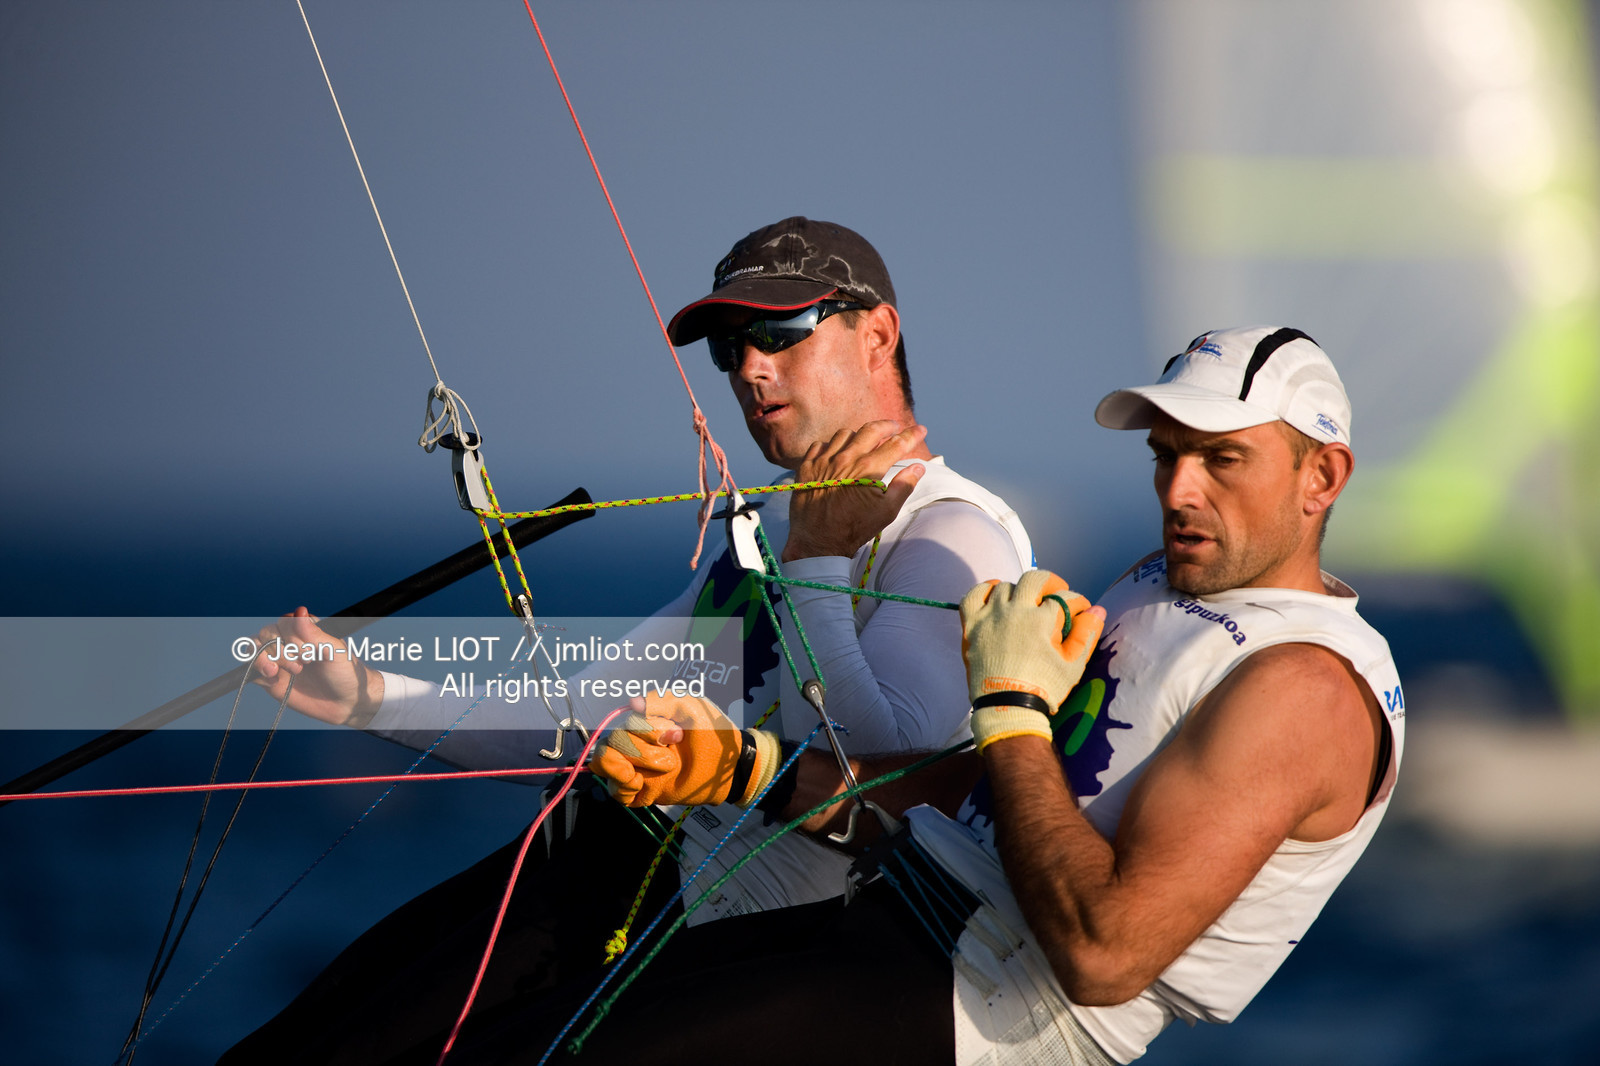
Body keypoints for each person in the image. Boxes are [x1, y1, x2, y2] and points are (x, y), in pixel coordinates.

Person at [221, 218, 1035, 1063]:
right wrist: (369, 699)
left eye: (780, 331)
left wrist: (816, 561)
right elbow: (592, 717)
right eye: (729, 348)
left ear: (878, 335)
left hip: (705, 952)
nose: (751, 367)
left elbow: (877, 776)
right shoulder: (781, 529)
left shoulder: (954, 537)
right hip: (591, 876)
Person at [546, 326, 1405, 1066]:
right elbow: (992, 795)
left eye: (1221, 459)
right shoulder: (1161, 583)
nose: (1179, 490)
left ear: (1322, 477)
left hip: (975, 1022)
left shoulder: (1309, 686)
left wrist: (1012, 709)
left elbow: (1104, 955)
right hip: (892, 932)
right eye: (1166, 455)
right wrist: (752, 769)